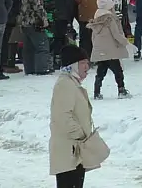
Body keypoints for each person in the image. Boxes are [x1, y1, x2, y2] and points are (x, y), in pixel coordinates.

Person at [49, 45, 103, 188]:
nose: (87, 66)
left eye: (87, 62)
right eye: (82, 63)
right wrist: (80, 135)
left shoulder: (72, 83)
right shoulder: (65, 84)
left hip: (76, 149)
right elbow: (62, 116)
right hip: (69, 149)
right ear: (72, 65)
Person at [88, 0, 131, 100]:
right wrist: (125, 42)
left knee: (100, 72)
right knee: (118, 71)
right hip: (111, 51)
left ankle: (96, 92)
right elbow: (116, 34)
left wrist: (97, 48)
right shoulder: (109, 18)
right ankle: (121, 90)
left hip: (101, 50)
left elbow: (93, 37)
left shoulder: (95, 19)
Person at [18, 0, 52, 75]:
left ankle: (30, 68)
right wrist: (43, 18)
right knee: (42, 45)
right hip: (34, 19)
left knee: (28, 47)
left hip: (23, 19)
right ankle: (42, 69)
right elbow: (37, 3)